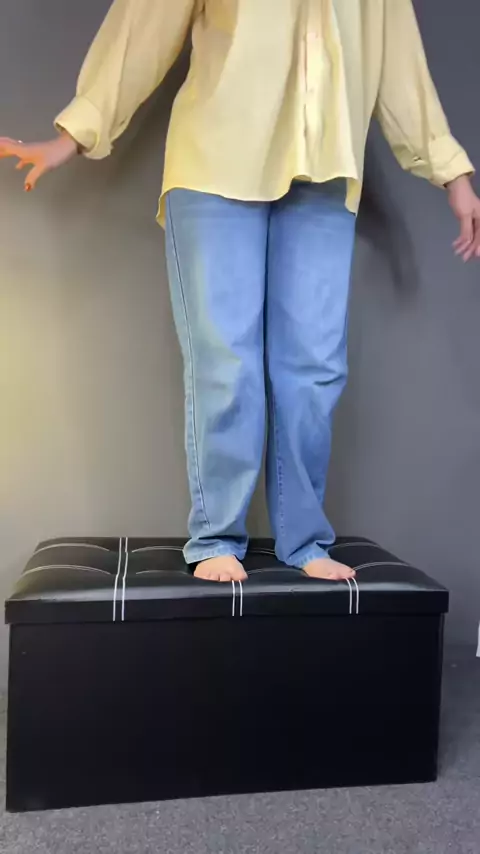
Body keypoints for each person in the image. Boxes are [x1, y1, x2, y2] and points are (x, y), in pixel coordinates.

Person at [1, 0, 479, 584]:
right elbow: (143, 25)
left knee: (314, 368)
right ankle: (216, 536)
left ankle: (304, 539)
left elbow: (399, 62)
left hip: (326, 171)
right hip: (216, 164)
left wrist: (452, 174)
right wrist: (74, 135)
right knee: (226, 363)